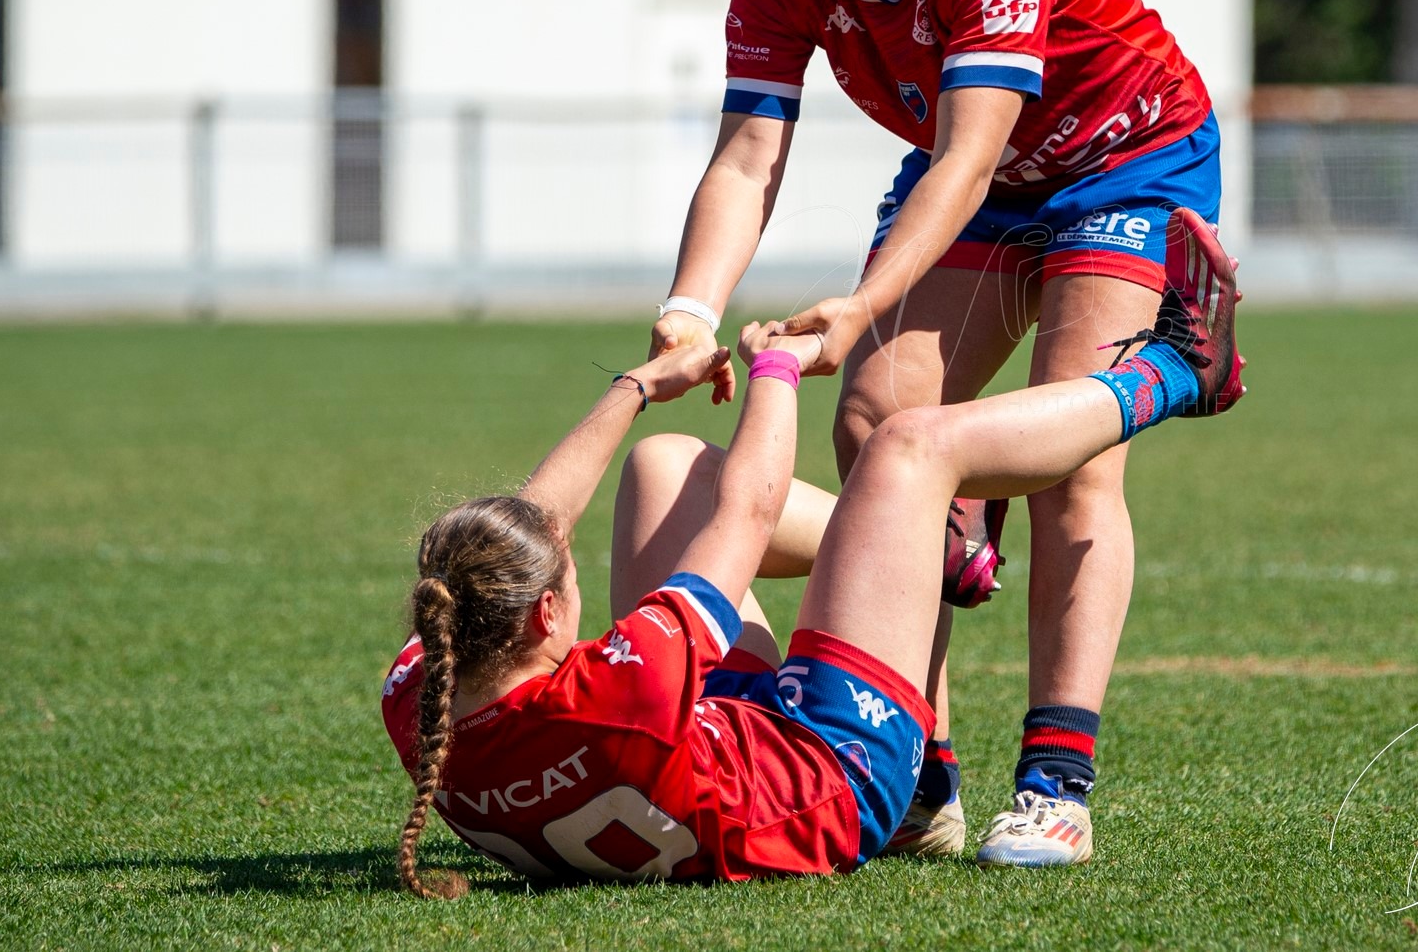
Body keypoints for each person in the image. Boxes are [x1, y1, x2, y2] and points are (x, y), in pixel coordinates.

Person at [651, 0, 1226, 865]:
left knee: (1074, 451)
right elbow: (745, 155)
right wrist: (691, 310)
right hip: (991, 179)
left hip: (1123, 158)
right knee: (878, 427)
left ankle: (1057, 781)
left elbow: (965, 158)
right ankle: (923, 775)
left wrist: (862, 303)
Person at [384, 210, 1245, 892]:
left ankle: (911, 542)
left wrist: (640, 388)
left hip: (705, 756)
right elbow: (749, 514)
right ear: (541, 612)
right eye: (563, 574)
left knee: (662, 466)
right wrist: (778, 369)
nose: (569, 559)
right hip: (835, 770)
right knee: (909, 450)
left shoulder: (426, 694)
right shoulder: (621, 682)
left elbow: (536, 527)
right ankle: (1176, 374)